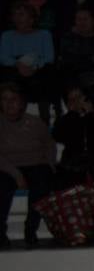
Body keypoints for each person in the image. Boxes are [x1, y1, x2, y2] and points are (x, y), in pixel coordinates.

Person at [52, 84, 94, 245]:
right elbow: (58, 135)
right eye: (70, 99)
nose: (75, 102)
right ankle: (74, 232)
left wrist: (90, 115)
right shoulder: (66, 120)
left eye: (78, 97)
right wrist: (74, 115)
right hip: (73, 166)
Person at [0, 82, 53, 249]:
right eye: (4, 99)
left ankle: (31, 229)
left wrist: (49, 164)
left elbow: (49, 144)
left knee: (43, 179)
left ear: (21, 102)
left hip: (35, 164)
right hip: (7, 167)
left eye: (13, 99)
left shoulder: (35, 122)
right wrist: (16, 175)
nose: (9, 103)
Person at [1, 1, 55, 122]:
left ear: (32, 19)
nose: (17, 18)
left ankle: (44, 121)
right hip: (15, 68)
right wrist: (18, 65)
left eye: (21, 14)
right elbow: (4, 57)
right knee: (7, 76)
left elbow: (49, 57)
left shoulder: (44, 34)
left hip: (37, 70)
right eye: (15, 14)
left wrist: (34, 67)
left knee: (47, 75)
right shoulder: (7, 35)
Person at [56, 6, 94, 115]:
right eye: (78, 19)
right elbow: (67, 60)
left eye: (85, 19)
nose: (81, 22)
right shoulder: (68, 38)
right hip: (73, 77)